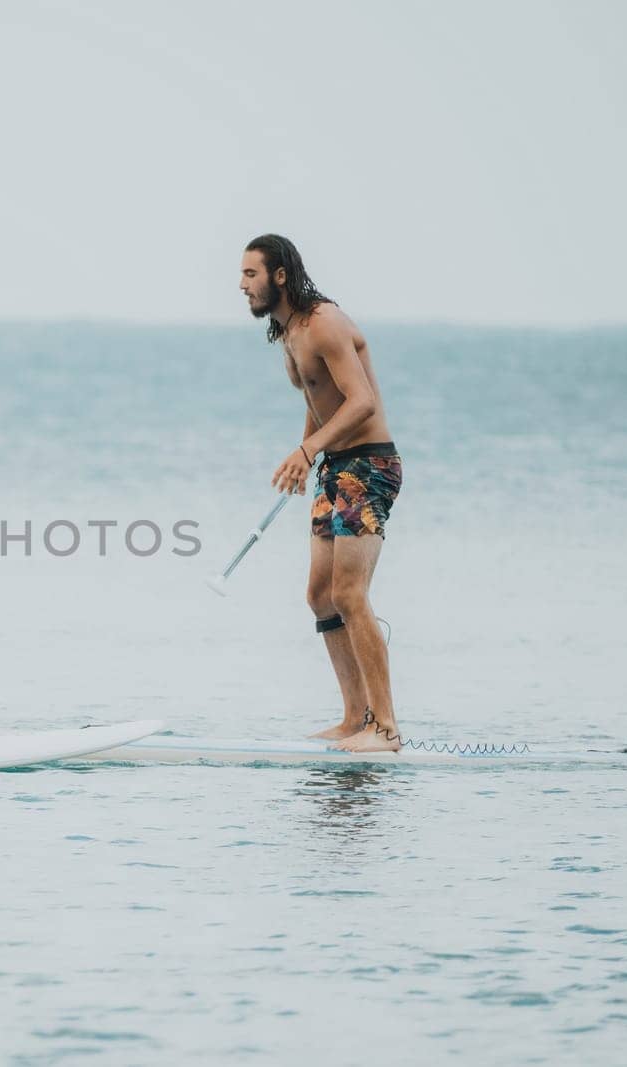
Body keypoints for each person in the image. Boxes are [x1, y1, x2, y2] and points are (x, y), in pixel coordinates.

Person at [240, 234, 404, 753]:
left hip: (369, 465)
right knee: (320, 595)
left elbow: (361, 403)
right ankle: (355, 718)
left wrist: (308, 451)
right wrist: (305, 456)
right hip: (334, 468)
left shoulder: (324, 323)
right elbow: (319, 398)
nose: (242, 286)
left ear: (279, 276)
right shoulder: (288, 334)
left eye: (251, 275)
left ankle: (386, 728)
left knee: (351, 594)